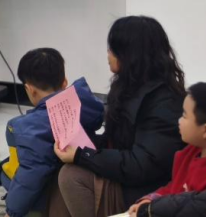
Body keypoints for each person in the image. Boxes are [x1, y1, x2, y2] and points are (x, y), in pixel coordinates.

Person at [52, 16, 186, 217]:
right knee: (59, 167)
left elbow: (142, 165)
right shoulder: (128, 86)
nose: (108, 54)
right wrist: (78, 145)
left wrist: (82, 156)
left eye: (112, 48)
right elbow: (114, 142)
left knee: (71, 175)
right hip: (127, 177)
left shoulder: (163, 101)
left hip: (145, 190)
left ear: (130, 54)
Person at [0, 48, 103, 217]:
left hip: (35, 195)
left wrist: (12, 212)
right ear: (64, 82)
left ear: (29, 89)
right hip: (28, 183)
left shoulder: (32, 128)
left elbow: (31, 176)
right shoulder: (82, 105)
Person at [132, 61, 206, 216]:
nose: (179, 120)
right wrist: (151, 200)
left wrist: (152, 208)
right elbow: (173, 187)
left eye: (184, 115)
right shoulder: (191, 151)